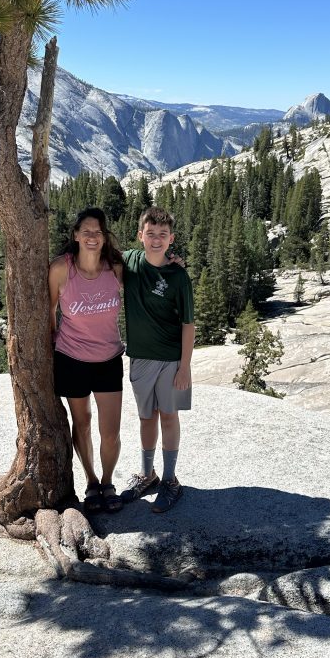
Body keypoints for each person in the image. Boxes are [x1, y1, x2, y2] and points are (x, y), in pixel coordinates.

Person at [119, 206, 195, 513]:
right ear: (140, 235)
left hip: (171, 360)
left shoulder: (178, 277)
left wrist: (185, 367)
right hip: (139, 358)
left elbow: (188, 324)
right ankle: (148, 475)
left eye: (162, 235)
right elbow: (92, 258)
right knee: (146, 417)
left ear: (171, 239)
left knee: (169, 416)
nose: (156, 240)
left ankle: (170, 480)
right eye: (150, 234)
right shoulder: (128, 262)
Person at [49, 207, 124, 513]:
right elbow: (47, 313)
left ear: (105, 238)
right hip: (72, 358)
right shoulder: (60, 269)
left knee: (111, 430)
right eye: (87, 231)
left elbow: (150, 268)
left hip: (108, 358)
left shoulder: (116, 268)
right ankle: (91, 481)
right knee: (82, 422)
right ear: (76, 235)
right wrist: (53, 348)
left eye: (98, 231)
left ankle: (108, 481)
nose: (93, 236)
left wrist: (173, 262)